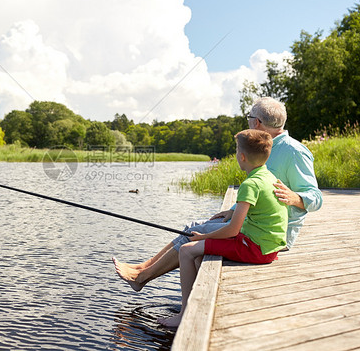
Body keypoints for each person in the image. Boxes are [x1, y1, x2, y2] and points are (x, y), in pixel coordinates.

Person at [113, 97, 322, 292]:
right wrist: (232, 211)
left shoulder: (294, 151)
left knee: (198, 231)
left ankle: (141, 278)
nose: (247, 122)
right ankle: (143, 268)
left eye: (249, 118)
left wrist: (295, 198)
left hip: (269, 235)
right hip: (251, 223)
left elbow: (316, 198)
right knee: (192, 227)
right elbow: (258, 193)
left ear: (256, 122)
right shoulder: (263, 146)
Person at [157, 129, 288, 327]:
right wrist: (207, 238)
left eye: (236, 150)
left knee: (186, 251)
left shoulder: (250, 184)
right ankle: (196, 303)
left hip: (255, 248)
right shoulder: (270, 177)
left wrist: (203, 237)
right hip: (268, 248)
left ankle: (184, 314)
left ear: (242, 156)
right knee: (199, 255)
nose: (236, 154)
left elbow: (232, 230)